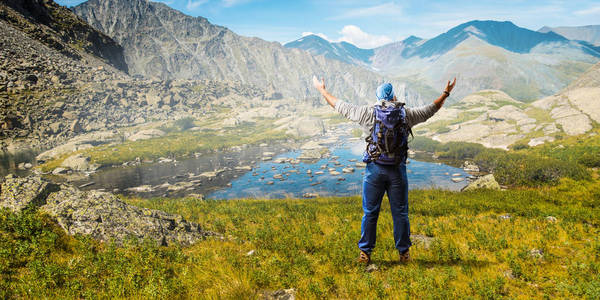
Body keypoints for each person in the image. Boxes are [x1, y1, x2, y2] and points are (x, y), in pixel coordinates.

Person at [312, 76, 456, 263]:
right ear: (393, 96)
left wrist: (322, 90)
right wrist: (446, 92)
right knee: (400, 213)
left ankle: (365, 254)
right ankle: (404, 254)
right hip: (397, 171)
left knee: (370, 212)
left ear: (378, 97)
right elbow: (431, 109)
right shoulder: (406, 114)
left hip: (374, 170)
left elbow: (339, 105)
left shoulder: (366, 113)